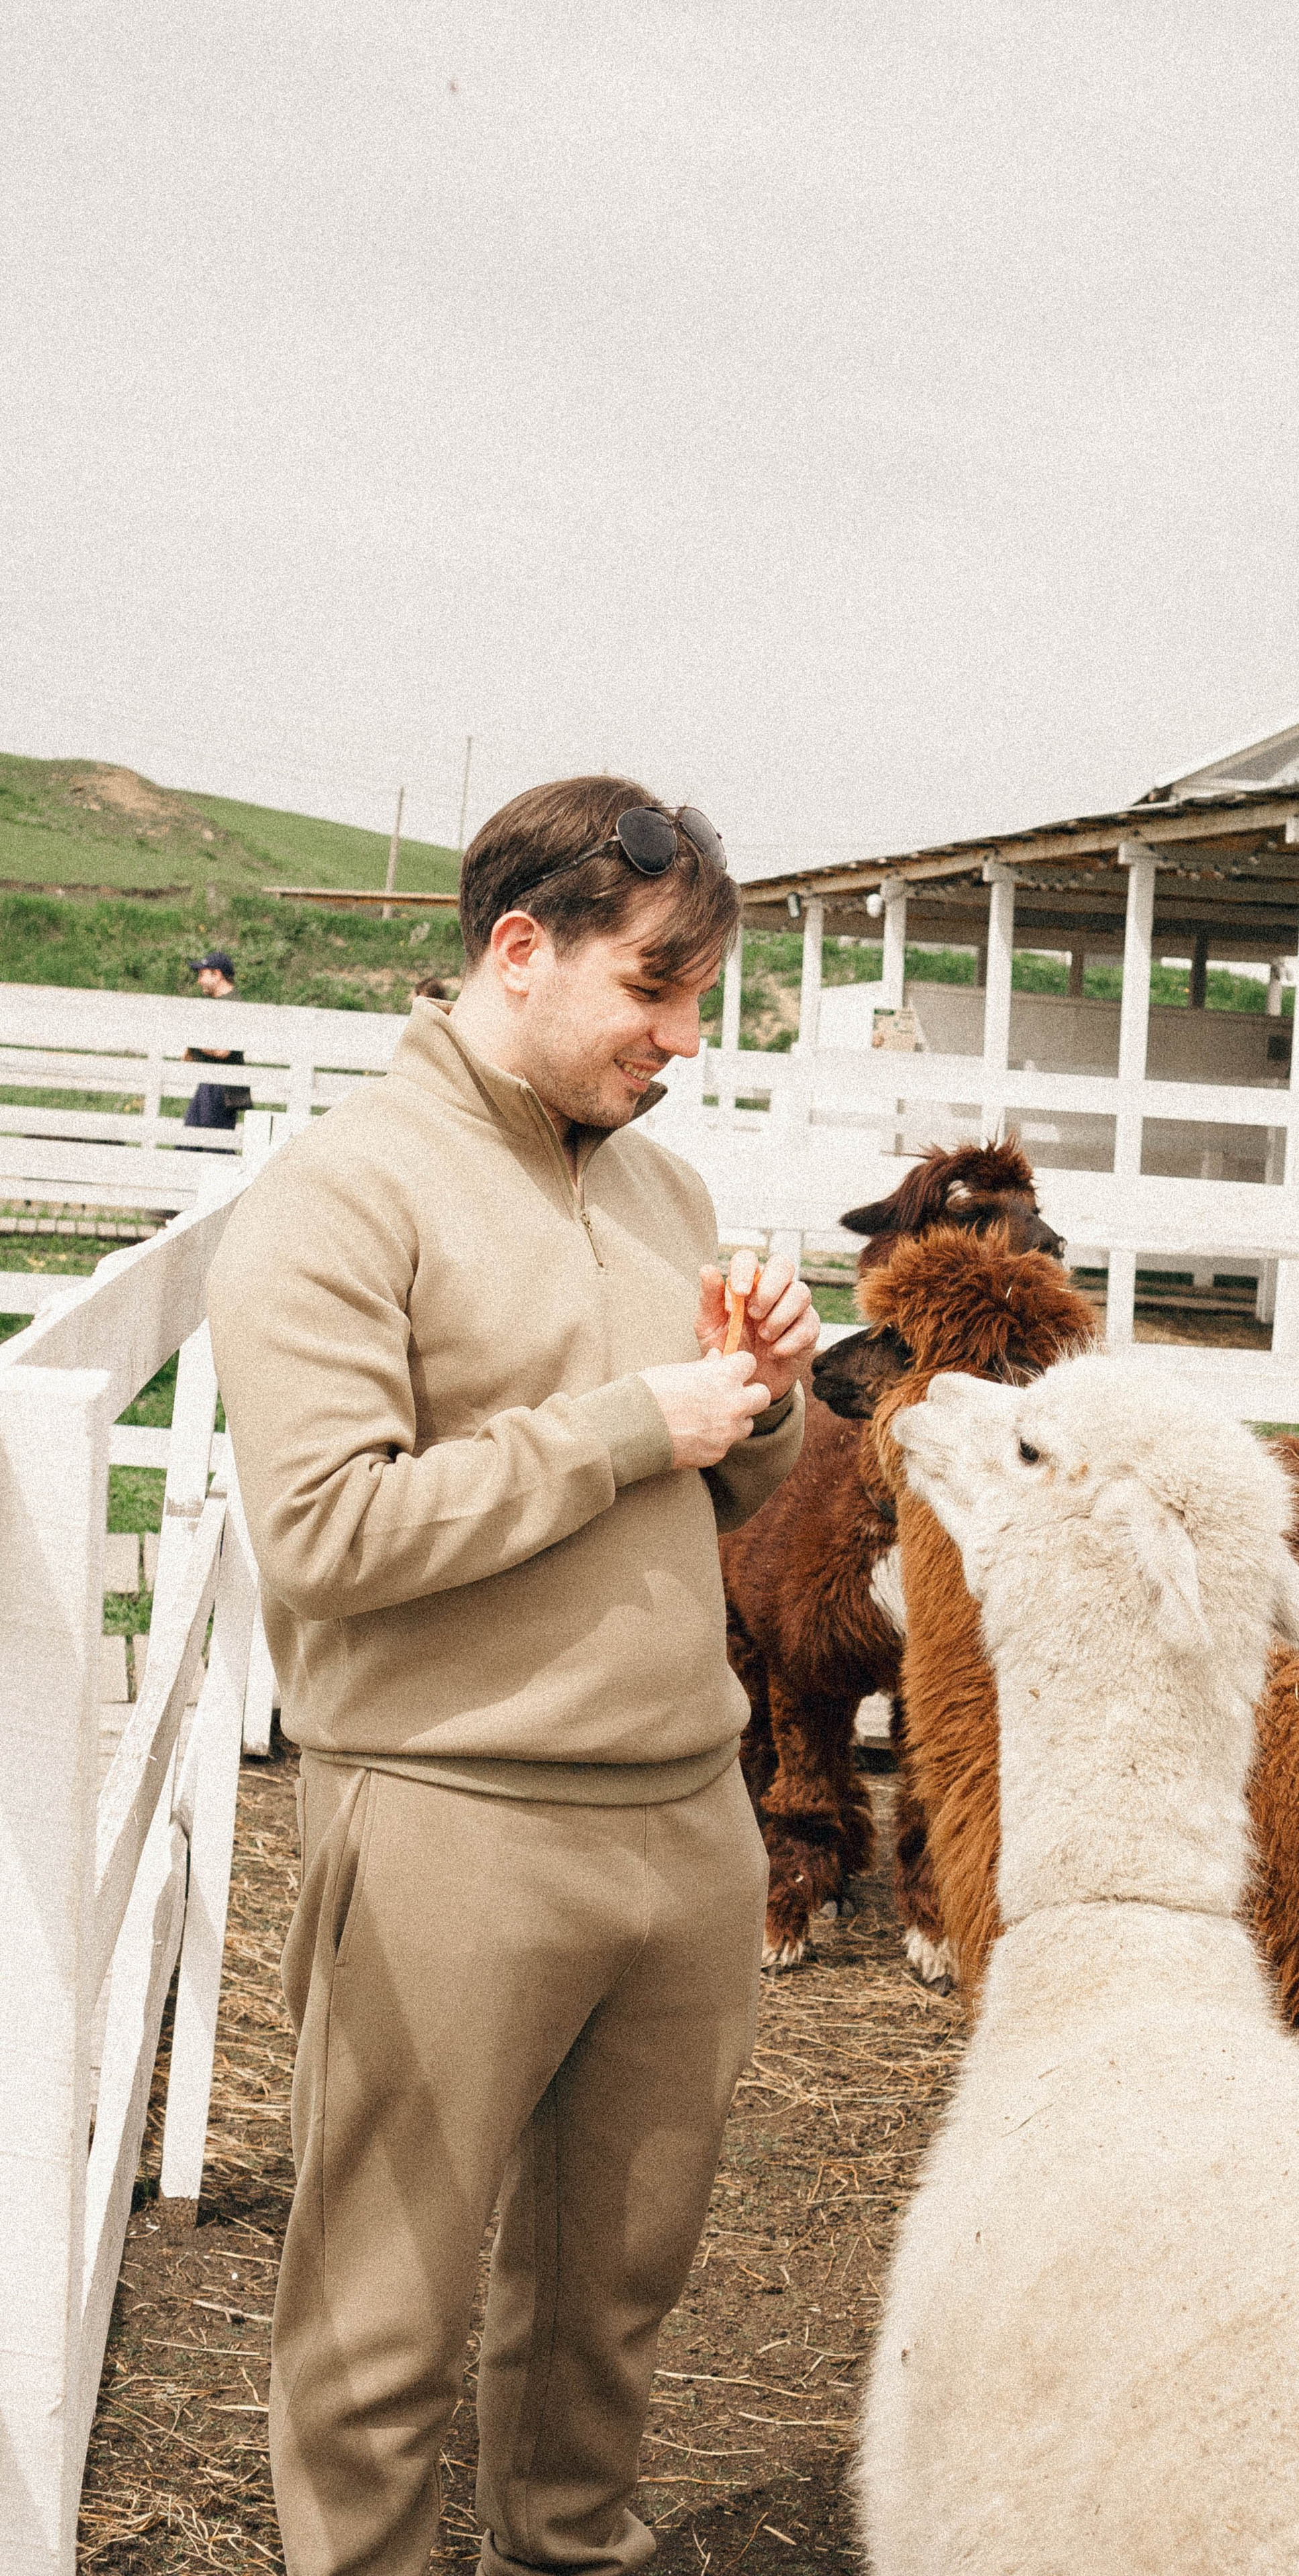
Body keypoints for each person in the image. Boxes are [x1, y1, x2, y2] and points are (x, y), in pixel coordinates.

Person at [206, 777, 818, 2576]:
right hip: (455, 1821)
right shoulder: (341, 1198)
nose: (683, 1039)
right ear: (520, 950)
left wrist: (759, 1411)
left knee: (612, 2309)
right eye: (653, 989)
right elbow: (323, 1535)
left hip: (685, 1822)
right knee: (380, 2326)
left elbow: (719, 1484)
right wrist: (638, 1424)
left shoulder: (660, 1184)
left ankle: (569, 2553)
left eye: (698, 999)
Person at [182, 947, 252, 1137]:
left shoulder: (233, 1004)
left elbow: (223, 1051)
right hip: (212, 1081)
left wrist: (195, 1045)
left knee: (213, 1144)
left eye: (202, 974)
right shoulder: (222, 1003)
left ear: (217, 974)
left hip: (222, 1085)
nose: (198, 981)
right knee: (190, 1141)